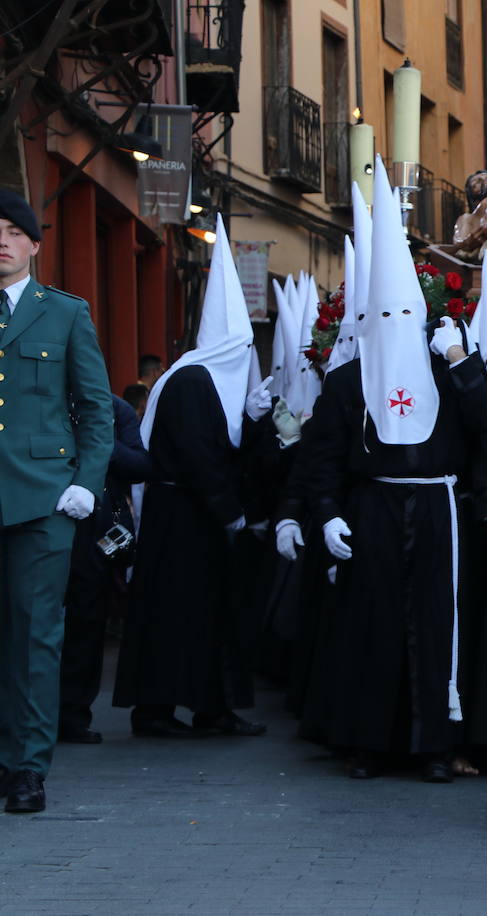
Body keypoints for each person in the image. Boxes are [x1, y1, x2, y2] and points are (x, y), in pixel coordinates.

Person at [306, 163, 487, 782]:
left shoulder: (447, 368)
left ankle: (434, 746)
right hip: (373, 512)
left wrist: (461, 362)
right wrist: (327, 515)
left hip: (438, 512)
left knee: (435, 625)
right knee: (371, 625)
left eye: (405, 318)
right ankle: (368, 743)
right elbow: (320, 458)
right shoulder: (346, 383)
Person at [114, 216, 274, 740]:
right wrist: (230, 511)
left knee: (207, 618)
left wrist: (253, 420)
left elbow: (227, 450)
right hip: (181, 521)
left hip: (197, 519)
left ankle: (212, 707)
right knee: (174, 615)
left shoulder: (209, 382)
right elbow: (200, 457)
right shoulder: (190, 383)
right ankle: (156, 710)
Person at [0, 190, 113, 814]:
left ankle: (27, 767)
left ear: (35, 246)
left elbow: (97, 410)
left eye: (14, 231)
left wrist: (86, 483)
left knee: (36, 634)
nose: (3, 241)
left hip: (44, 501)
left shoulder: (65, 314)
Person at [59, 394, 153, 744]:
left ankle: (73, 713)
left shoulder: (114, 409)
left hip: (94, 529)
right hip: (40, 519)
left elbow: (141, 465)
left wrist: (99, 438)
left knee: (86, 621)